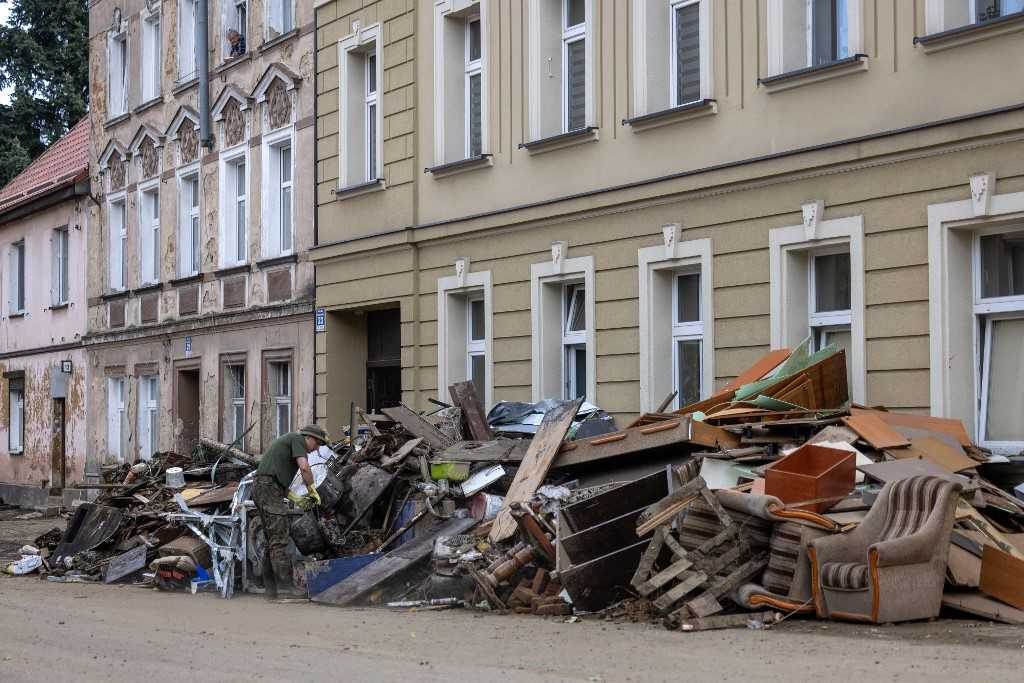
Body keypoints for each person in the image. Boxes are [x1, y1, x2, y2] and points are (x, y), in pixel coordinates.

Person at [253, 424, 329, 598]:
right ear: (309, 438)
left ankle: (271, 590)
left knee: (271, 541)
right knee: (279, 540)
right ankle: (286, 589)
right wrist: (312, 489)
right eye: (317, 444)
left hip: (265, 488)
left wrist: (296, 498)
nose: (315, 449)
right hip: (268, 489)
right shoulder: (297, 440)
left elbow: (276, 480)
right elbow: (304, 468)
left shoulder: (288, 443)